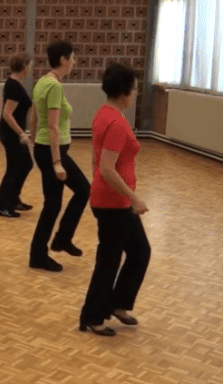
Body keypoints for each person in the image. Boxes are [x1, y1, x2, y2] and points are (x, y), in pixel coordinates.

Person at [79, 63, 150, 336]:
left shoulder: (104, 113)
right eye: (133, 89)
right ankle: (93, 317)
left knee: (140, 252)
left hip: (112, 200)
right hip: (114, 203)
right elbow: (107, 168)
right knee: (108, 260)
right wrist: (134, 198)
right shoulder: (117, 122)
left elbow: (96, 160)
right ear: (124, 92)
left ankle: (118, 304)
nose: (134, 94)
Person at [28, 41, 90, 272]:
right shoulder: (54, 86)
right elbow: (53, 126)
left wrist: (35, 140)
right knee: (81, 191)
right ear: (63, 60)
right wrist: (56, 162)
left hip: (44, 148)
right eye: (72, 57)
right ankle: (51, 246)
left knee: (54, 203)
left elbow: (33, 116)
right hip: (53, 152)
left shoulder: (42, 81)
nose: (74, 61)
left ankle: (52, 244)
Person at [0, 53, 35, 218]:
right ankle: (2, 206)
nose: (30, 68)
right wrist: (21, 133)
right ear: (24, 66)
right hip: (11, 134)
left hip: (11, 133)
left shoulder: (14, 84)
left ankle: (13, 199)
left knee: (25, 164)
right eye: (29, 65)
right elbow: (7, 114)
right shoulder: (14, 86)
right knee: (15, 168)